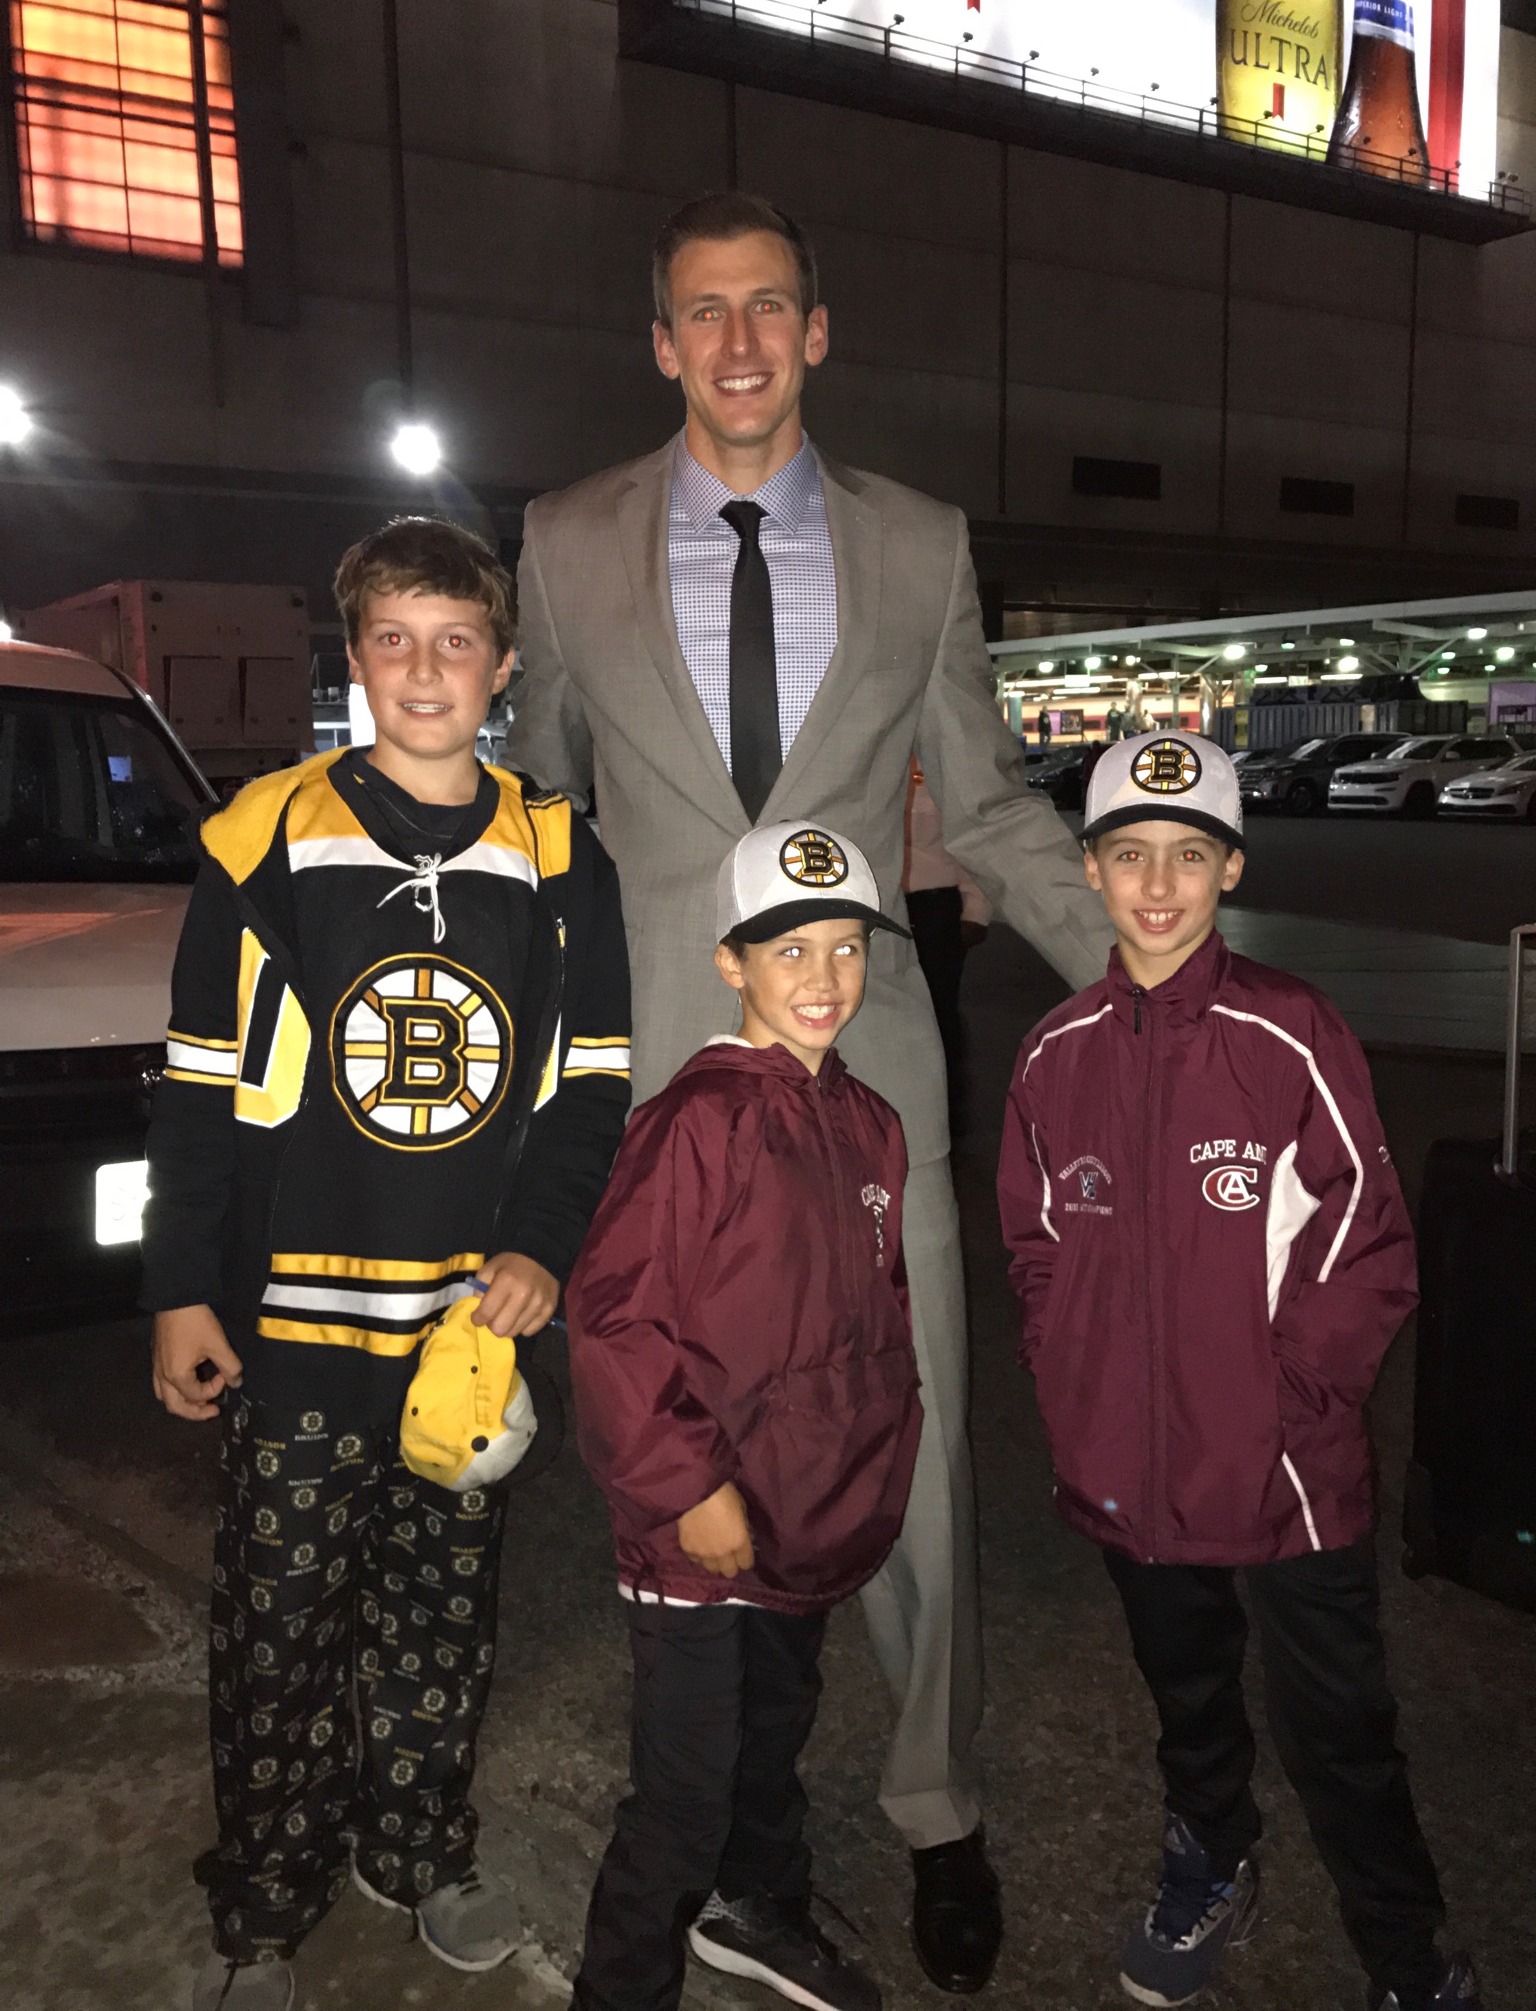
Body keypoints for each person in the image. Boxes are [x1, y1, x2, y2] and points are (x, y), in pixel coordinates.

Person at [504, 189, 1110, 1992]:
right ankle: (710, 1811)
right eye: (706, 311)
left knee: (913, 1431)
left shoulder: (921, 545)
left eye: (770, 305)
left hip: (873, 1065)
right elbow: (536, 821)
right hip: (656, 1071)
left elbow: (985, 802)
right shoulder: (565, 541)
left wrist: (1146, 965)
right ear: (662, 342)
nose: (741, 341)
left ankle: (937, 1799)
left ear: (817, 332)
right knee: (674, 1428)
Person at [143, 517, 632, 2011]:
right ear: (352, 656)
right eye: (395, 640)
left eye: (457, 642)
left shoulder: (557, 851)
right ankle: (266, 1900)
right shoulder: (266, 837)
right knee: (280, 1625)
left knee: (441, 1613)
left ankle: (416, 1846)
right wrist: (180, 1284)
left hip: (460, 1335)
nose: (426, 671)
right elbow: (201, 1083)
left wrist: (541, 1245)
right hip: (293, 1325)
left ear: (503, 664)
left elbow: (590, 1078)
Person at [995, 733, 1480, 2011]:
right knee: (1188, 1692)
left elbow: (1364, 1239)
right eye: (1131, 853)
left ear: (1231, 868)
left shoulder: (1289, 1032)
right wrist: (1071, 1383)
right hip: (1128, 1463)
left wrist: (1289, 1406)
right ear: (1090, 868)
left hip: (1283, 1471)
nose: (1159, 884)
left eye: (1189, 855)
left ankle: (1403, 1949)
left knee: (1341, 1723)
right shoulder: (1054, 1052)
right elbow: (1035, 1243)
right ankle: (1212, 1854)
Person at [565, 822, 922, 2011]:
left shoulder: (871, 1121)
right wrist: (688, 1486)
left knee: (772, 1744)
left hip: (805, 1511)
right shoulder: (697, 1120)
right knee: (682, 1791)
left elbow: (876, 1318)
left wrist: (874, 1460)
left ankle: (755, 1905)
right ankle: (622, 1987)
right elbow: (615, 1323)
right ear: (732, 961)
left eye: (846, 946)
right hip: (699, 1532)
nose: (824, 976)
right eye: (788, 949)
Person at [903, 757, 990, 1130]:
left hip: (935, 906)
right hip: (880, 904)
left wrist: (976, 909)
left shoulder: (941, 765)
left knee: (938, 1011)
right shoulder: (871, 761)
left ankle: (946, 1111)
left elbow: (970, 840)